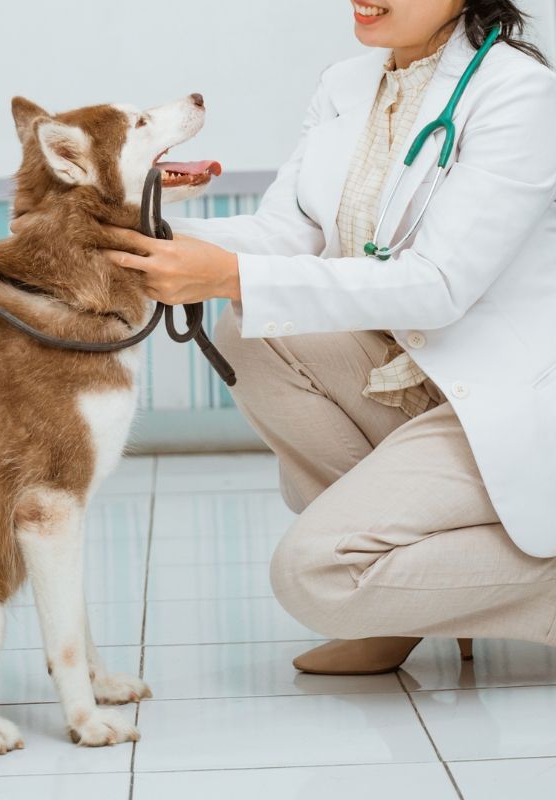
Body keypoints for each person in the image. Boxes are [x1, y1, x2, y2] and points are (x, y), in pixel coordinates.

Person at [101, 0, 556, 675]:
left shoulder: (520, 92)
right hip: (415, 374)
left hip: (504, 396)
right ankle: (402, 604)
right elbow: (289, 234)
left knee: (315, 576)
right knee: (250, 332)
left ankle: (439, 591)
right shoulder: (346, 84)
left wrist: (231, 274)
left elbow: (439, 284)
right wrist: (134, 228)